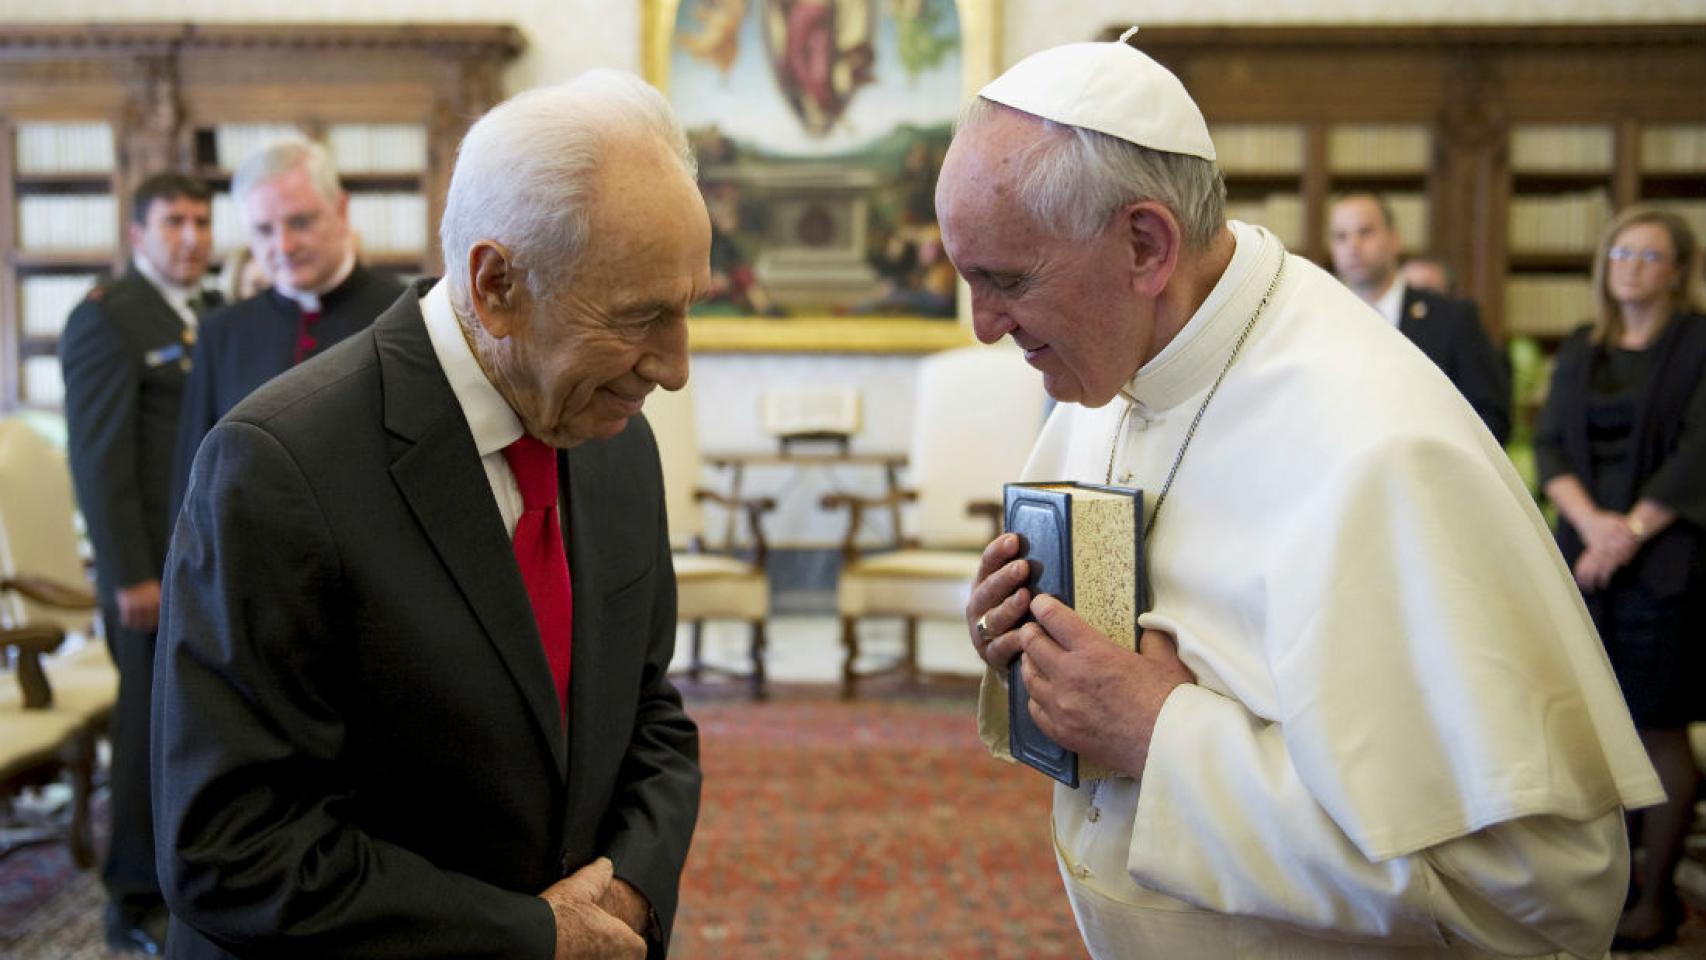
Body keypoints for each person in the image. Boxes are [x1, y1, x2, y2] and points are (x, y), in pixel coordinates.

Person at [942, 35, 1664, 960]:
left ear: (1144, 244)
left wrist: (1163, 734)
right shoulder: (1115, 368)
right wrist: (1020, 634)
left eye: (1006, 280)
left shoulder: (1381, 445)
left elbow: (1539, 899)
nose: (984, 326)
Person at [153, 71, 705, 960]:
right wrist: (530, 937)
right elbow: (233, 848)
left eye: (687, 309)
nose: (676, 367)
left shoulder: (614, 435)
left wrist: (633, 889)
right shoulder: (276, 466)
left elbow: (650, 712)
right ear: (495, 285)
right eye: (642, 316)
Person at [1533, 206, 1706, 951]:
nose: (1631, 265)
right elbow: (1549, 445)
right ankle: (1614, 881)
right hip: (1584, 559)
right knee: (1592, 724)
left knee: (1657, 725)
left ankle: (1659, 893)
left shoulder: (1699, 345)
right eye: (1620, 252)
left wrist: (1627, 533)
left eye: (1649, 254)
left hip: (1667, 561)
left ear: (1677, 269)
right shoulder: (1580, 347)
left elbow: (1700, 451)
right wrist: (1595, 528)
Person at [58, 171, 218, 955]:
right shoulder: (110, 319)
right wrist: (128, 574)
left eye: (201, 221)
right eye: (173, 223)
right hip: (149, 575)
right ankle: (131, 897)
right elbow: (99, 461)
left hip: (207, 565)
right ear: (138, 235)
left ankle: (192, 874)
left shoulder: (209, 314)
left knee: (196, 727)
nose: (191, 237)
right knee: (147, 728)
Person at [170, 138, 402, 515]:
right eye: (263, 230)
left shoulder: (403, 316)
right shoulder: (222, 333)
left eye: (300, 222)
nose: (284, 245)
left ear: (340, 210)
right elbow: (194, 480)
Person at [1330, 192, 1511, 442]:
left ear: (1394, 240)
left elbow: (1491, 416)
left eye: (1365, 232)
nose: (1353, 246)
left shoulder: (1453, 319)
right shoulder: (1322, 322)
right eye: (1341, 237)